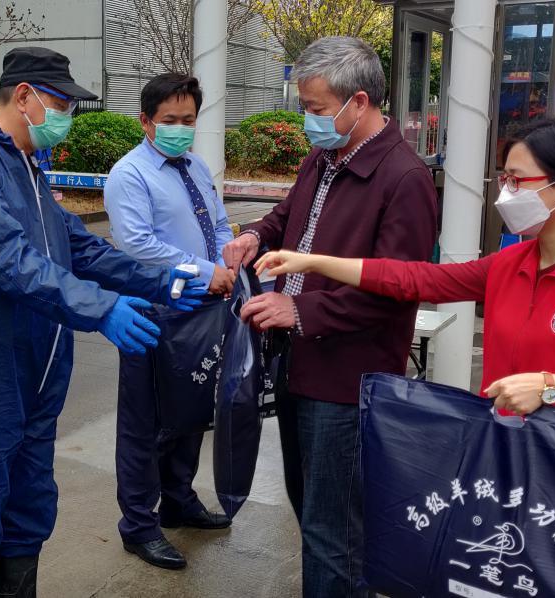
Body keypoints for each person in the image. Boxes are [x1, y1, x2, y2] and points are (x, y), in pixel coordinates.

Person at [0, 47, 204, 597]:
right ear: (24, 96)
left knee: (27, 514)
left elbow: (80, 249)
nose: (68, 114)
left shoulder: (28, 168)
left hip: (37, 374)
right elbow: (7, 258)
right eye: (62, 103)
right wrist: (101, 309)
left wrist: (161, 281)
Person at [256, 118, 555, 423]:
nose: (506, 193)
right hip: (507, 451)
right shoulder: (514, 263)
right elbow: (416, 279)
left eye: (518, 181)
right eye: (504, 179)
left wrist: (550, 387)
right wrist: (314, 261)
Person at [220, 36, 438, 598]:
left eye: (316, 108)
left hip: (346, 380)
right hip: (299, 361)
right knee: (311, 508)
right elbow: (288, 214)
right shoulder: (323, 158)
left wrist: (299, 308)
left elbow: (396, 290)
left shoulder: (404, 178)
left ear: (358, 102)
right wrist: (255, 236)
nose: (308, 120)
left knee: (331, 530)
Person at [103, 73, 236, 570]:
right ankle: (139, 524)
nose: (181, 128)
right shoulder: (130, 174)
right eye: (170, 120)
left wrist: (227, 261)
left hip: (202, 308)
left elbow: (218, 223)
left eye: (188, 119)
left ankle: (178, 500)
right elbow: (137, 244)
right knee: (145, 423)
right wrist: (205, 271)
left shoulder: (197, 167)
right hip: (153, 310)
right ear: (146, 121)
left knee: (190, 411)